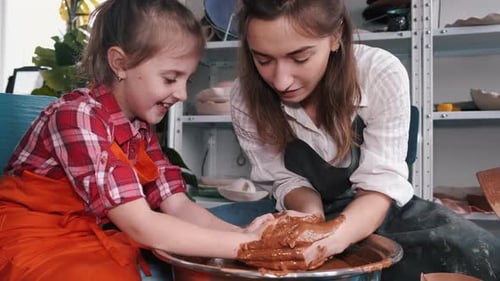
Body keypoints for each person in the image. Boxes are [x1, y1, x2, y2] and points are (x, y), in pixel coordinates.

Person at [210, 0, 500, 280]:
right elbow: (284, 180)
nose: (282, 80)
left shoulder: (378, 73)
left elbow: (380, 186)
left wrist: (330, 241)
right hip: (298, 209)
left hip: (380, 206)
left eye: (300, 58)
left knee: (483, 256)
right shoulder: (246, 98)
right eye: (263, 59)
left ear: (335, 37)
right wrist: (311, 220)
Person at [0, 1, 281, 280]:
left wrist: (242, 235)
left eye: (187, 79)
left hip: (91, 229)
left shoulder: (141, 128)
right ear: (119, 63)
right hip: (31, 234)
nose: (183, 94)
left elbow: (177, 205)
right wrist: (249, 247)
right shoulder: (76, 116)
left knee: (199, 256)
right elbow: (140, 225)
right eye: (171, 79)